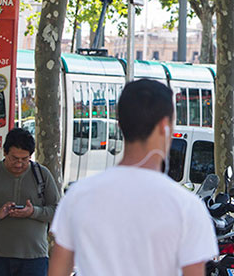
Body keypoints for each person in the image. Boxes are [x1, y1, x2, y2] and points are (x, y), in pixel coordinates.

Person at [48, 79, 217, 276]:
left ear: (120, 124)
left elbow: (58, 270)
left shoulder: (77, 196)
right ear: (165, 126)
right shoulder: (186, 206)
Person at [0, 127, 60, 276]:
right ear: (4, 153)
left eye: (24, 159)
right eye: (14, 158)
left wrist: (33, 212)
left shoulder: (42, 174)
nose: (19, 164)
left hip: (34, 257)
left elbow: (58, 211)